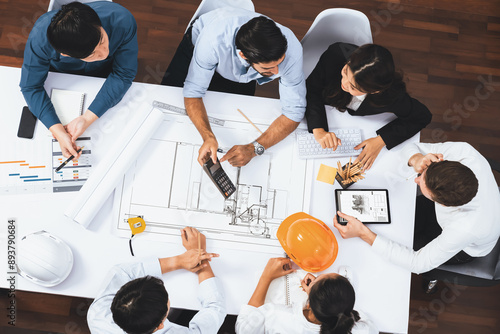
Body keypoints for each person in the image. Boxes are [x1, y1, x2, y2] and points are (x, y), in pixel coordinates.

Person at [161, 7, 306, 167]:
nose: (277, 72)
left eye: (279, 63)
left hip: (243, 67)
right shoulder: (212, 41)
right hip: (198, 45)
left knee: (234, 116)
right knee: (169, 105)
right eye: (268, 69)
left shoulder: (292, 51)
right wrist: (207, 136)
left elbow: (294, 112)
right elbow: (193, 92)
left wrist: (254, 149)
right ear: (244, 55)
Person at [333, 142, 500, 275]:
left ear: (441, 204)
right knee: (392, 222)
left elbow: (418, 264)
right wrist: (417, 158)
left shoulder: (464, 228)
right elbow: (412, 146)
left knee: (394, 246)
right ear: (441, 160)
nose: (416, 181)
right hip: (457, 217)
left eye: (421, 181)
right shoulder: (464, 153)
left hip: (467, 247)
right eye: (422, 174)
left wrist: (363, 233)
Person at [20, 1, 138, 158]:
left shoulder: (121, 19)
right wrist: (57, 130)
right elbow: (31, 86)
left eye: (102, 40)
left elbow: (123, 73)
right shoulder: (40, 38)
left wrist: (87, 118)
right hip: (62, 76)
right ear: (66, 55)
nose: (104, 53)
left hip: (105, 75)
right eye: (92, 54)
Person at [305, 43, 432, 170]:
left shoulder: (392, 95)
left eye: (353, 87)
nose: (343, 83)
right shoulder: (336, 54)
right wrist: (318, 129)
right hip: (325, 110)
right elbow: (311, 89)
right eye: (345, 72)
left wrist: (381, 140)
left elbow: (422, 116)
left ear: (374, 91)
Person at [87, 227, 225, 333]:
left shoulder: (98, 315)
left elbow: (120, 272)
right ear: (160, 325)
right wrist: (201, 259)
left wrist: (179, 261)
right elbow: (215, 308)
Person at [235, 258, 377, 334]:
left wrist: (266, 276)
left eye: (318, 277)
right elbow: (372, 328)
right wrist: (319, 297)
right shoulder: (362, 330)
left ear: (309, 303)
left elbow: (243, 330)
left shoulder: (275, 315)